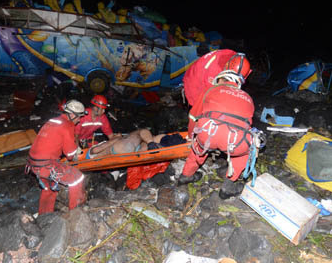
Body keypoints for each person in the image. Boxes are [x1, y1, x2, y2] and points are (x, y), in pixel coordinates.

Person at [179, 69, 255, 199]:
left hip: (209, 132)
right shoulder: (248, 98)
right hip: (236, 139)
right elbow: (247, 125)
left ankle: (186, 176)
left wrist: (192, 136)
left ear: (221, 80)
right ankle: (228, 185)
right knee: (246, 152)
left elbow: (193, 116)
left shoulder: (211, 90)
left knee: (198, 147)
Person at [25, 99, 86, 214]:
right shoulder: (68, 126)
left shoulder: (52, 121)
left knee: (49, 187)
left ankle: (44, 215)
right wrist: (76, 149)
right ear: (72, 114)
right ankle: (76, 212)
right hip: (46, 165)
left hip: (34, 164)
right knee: (77, 178)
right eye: (78, 117)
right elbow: (70, 155)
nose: (79, 120)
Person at [182, 50, 251, 106]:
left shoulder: (239, 63)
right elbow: (211, 92)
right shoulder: (212, 70)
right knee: (199, 108)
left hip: (211, 75)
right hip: (194, 80)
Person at [86, 128, 166, 158]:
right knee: (139, 132)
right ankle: (150, 143)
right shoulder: (92, 151)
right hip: (119, 150)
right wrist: (117, 137)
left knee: (152, 138)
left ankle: (148, 145)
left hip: (131, 150)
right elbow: (97, 149)